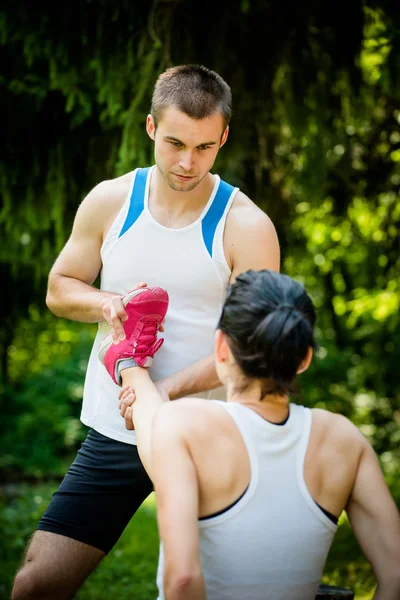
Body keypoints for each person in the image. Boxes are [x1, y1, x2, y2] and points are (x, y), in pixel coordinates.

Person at [12, 65, 280, 599]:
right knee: (35, 585)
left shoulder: (247, 225)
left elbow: (256, 346)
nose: (187, 162)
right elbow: (60, 287)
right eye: (176, 142)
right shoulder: (111, 201)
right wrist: (108, 303)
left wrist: (161, 393)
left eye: (205, 147)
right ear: (151, 127)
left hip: (212, 433)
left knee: (211, 591)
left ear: (224, 137)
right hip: (118, 431)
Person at [113, 269, 400, 600]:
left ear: (221, 347)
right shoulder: (344, 439)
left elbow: (182, 581)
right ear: (304, 358)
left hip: (169, 426)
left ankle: (127, 361)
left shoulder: (183, 424)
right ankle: (127, 362)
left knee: (159, 422)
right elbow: (395, 574)